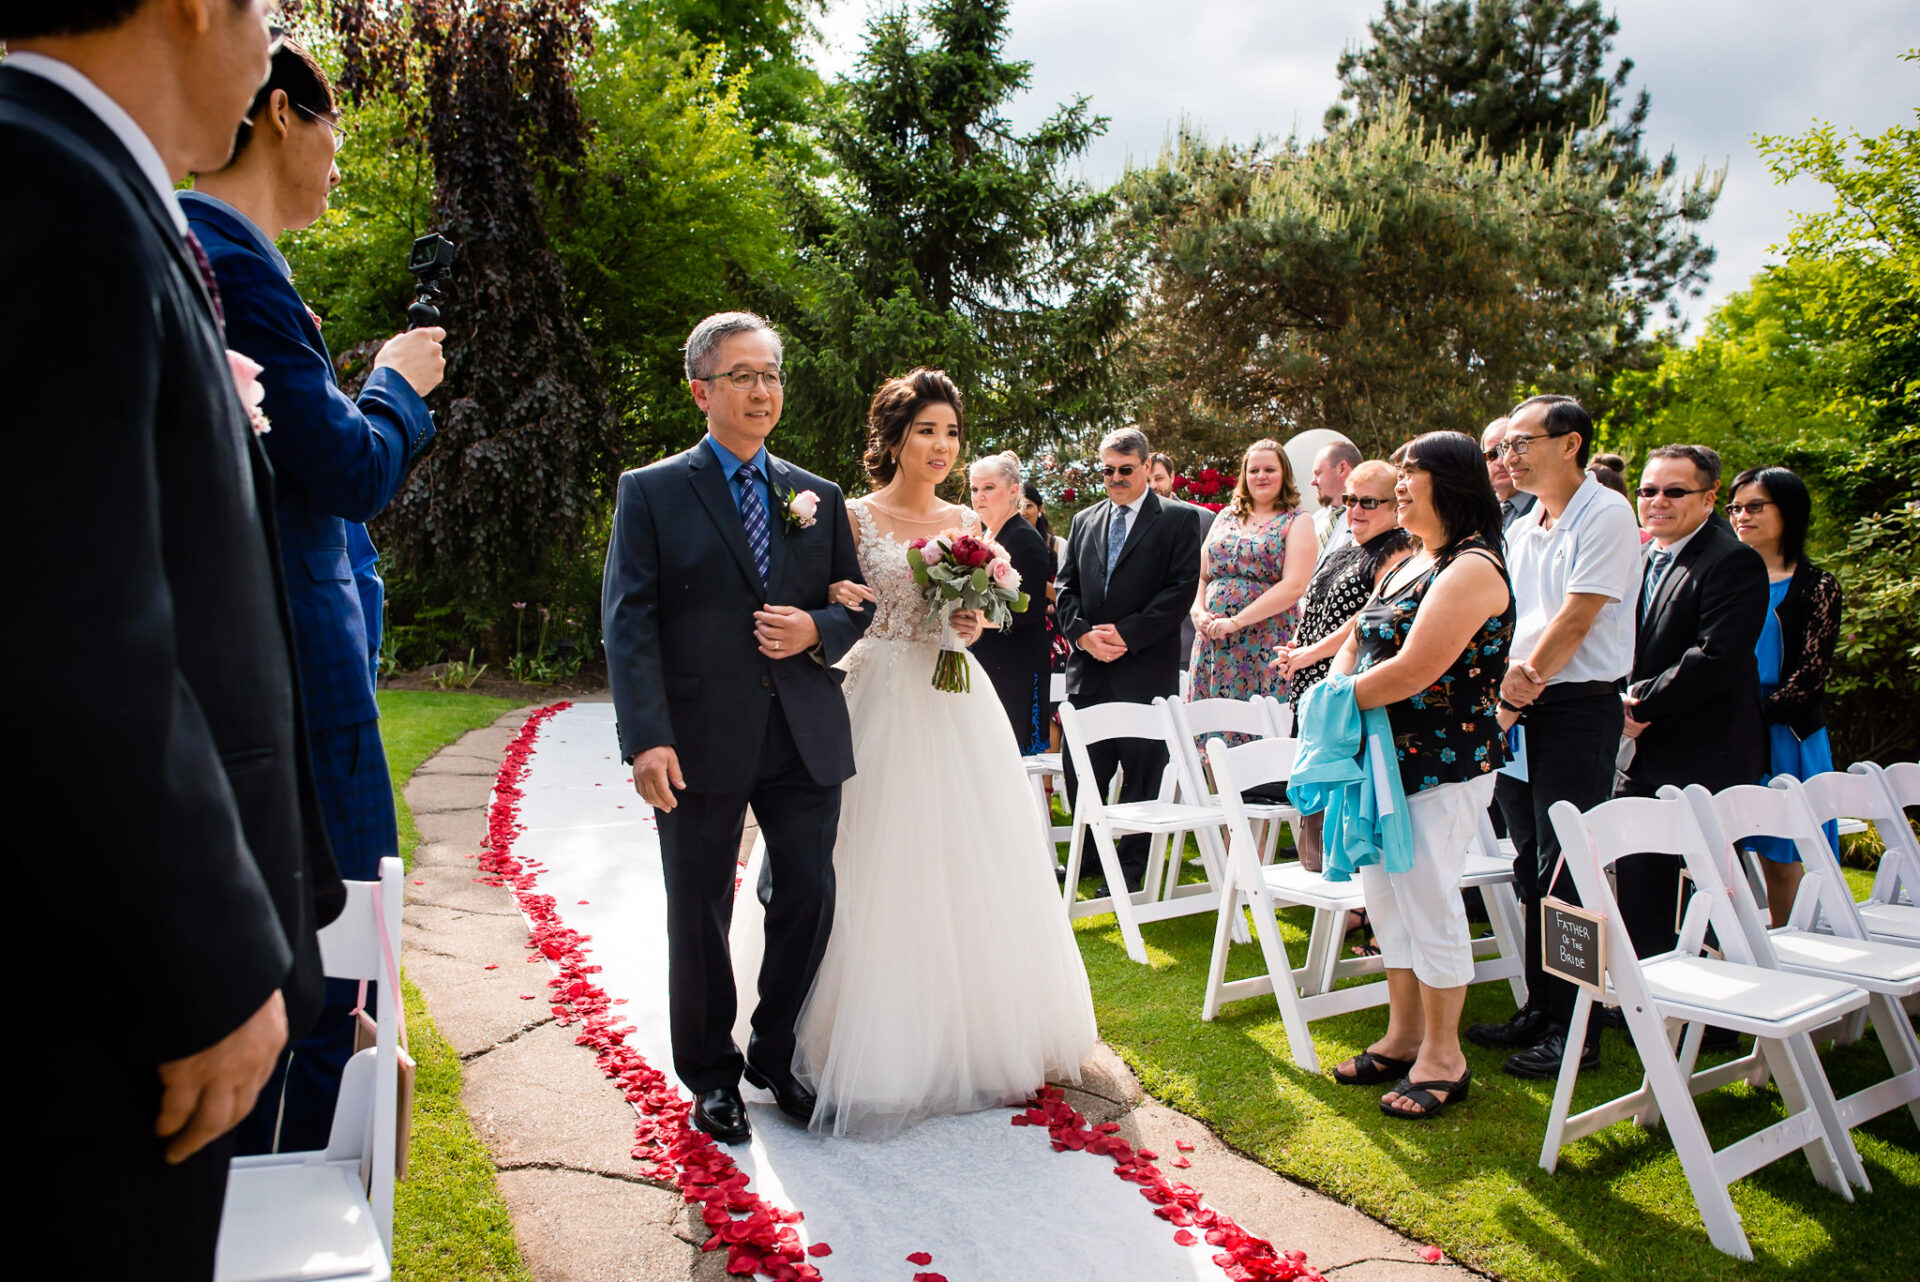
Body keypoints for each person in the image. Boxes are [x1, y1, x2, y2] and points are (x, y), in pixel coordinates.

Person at [5, 4, 344, 1275]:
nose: (267, 45)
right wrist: (197, 968)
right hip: (95, 1000)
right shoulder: (42, 182)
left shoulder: (95, 186)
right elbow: (64, 631)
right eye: (262, 9)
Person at [182, 33, 442, 1154]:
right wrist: (397, 387)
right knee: (332, 988)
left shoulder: (245, 264)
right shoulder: (227, 264)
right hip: (296, 694)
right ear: (284, 112)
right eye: (335, 126)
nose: (340, 156)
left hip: (303, 677)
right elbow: (342, 467)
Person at [784, 370, 1096, 1137]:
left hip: (953, 699)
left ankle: (972, 1039)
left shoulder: (968, 518)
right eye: (927, 430)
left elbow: (982, 618)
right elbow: (838, 607)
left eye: (951, 433)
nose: (941, 447)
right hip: (873, 693)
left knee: (965, 860)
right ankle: (857, 1041)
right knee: (868, 857)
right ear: (893, 437)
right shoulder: (852, 517)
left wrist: (971, 620)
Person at [602, 312, 871, 1146]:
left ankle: (773, 1048)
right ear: (701, 390)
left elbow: (853, 602)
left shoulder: (816, 496)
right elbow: (628, 619)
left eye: (772, 375)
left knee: (809, 893)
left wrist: (818, 631)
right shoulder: (649, 491)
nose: (764, 390)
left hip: (802, 730)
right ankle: (711, 1076)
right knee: (699, 907)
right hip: (695, 737)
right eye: (745, 376)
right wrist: (647, 736)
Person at [1326, 431, 1514, 1119]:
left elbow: (1416, 669)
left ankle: (1445, 1056)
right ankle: (1402, 1036)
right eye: (1399, 472)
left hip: (1442, 765)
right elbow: (1358, 638)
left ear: (1452, 483)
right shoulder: (1409, 562)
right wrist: (1336, 688)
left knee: (1429, 899)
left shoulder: (1471, 568)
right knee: (1385, 901)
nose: (1401, 484)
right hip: (1379, 763)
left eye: (1414, 474)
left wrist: (1330, 706)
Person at [1466, 396, 1641, 1081]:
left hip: (1572, 705)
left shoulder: (1606, 513)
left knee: (1568, 873)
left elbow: (1574, 620)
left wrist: (1517, 691)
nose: (1507, 458)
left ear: (1569, 444)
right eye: (1504, 448)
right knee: (1529, 860)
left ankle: (1579, 1028)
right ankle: (1542, 1006)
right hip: (1521, 703)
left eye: (1520, 444)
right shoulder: (1523, 519)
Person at [1615, 445, 1770, 957]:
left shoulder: (1734, 561)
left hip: (1707, 753)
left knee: (1709, 889)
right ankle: (1652, 993)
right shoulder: (1641, 556)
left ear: (1708, 499)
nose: (1658, 501)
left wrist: (1638, 705)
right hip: (1643, 755)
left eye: (1674, 491)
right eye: (1648, 490)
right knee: (1640, 877)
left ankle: (1725, 1019)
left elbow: (1716, 656)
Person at [1057, 427, 1204, 891]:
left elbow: (1180, 590)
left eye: (1125, 470)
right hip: (1089, 670)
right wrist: (1082, 636)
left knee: (1143, 774)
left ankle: (1133, 867)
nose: (1116, 478)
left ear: (1146, 468)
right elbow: (1066, 588)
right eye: (1108, 470)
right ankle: (1089, 857)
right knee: (1082, 772)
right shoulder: (1084, 520)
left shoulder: (1178, 520)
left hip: (1142, 668)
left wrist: (1125, 634)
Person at [1274, 461, 1412, 871]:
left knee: (1343, 805)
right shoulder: (1347, 545)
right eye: (1350, 499)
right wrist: (1299, 645)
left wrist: (1313, 653)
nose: (1355, 509)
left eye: (1369, 501)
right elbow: (1320, 606)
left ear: (1395, 505)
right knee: (1312, 801)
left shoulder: (1398, 549)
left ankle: (1354, 906)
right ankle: (1328, 898)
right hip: (1315, 686)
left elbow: (1369, 619)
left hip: (1351, 690)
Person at [1729, 466, 1842, 925]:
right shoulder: (1723, 579)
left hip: (1785, 732)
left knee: (1785, 856)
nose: (1741, 516)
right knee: (1721, 854)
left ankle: (1799, 957)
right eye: (1734, 507)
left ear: (1789, 510)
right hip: (1724, 728)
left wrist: (1742, 715)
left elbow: (1808, 678)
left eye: (1755, 506)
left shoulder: (1816, 585)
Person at [1190, 438, 1317, 704]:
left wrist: (1236, 622)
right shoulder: (1225, 516)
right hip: (1214, 642)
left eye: (1269, 470)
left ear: (1284, 475)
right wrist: (1198, 613)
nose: (1261, 476)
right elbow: (1201, 574)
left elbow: (1294, 586)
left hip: (1265, 640)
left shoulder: (1297, 520)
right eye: (1254, 470)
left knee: (1259, 725)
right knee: (1210, 723)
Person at [969, 451, 1055, 755]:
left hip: (1015, 668)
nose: (979, 496)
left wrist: (969, 618)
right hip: (985, 662)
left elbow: (1026, 611)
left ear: (1014, 491)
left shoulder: (1024, 540)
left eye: (989, 488)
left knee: (1009, 756)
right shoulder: (985, 536)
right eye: (975, 489)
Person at [1151, 449, 1218, 669]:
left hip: (1190, 636)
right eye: (1148, 480)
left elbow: (1211, 574)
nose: (1153, 485)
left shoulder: (1204, 519)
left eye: (1159, 478)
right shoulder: (1132, 523)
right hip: (1148, 639)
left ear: (1172, 477)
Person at [1482, 417, 1537, 530]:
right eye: (1492, 455)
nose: (1502, 462)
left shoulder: (1547, 508)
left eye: (1506, 450)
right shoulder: (1477, 513)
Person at [1310, 439, 1362, 552]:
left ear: (1342, 469)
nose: (1313, 482)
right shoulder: (1313, 522)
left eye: (1318, 473)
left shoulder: (1366, 519)